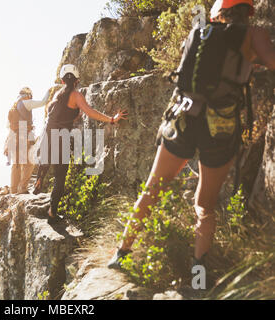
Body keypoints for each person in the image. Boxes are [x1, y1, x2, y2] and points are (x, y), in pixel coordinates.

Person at [107, 0, 275, 280]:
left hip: (182, 118)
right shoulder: (253, 35)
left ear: (219, 14)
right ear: (248, 11)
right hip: (218, 127)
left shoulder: (199, 33)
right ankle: (198, 278)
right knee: (204, 207)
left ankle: (120, 254)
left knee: (152, 189)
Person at [34, 64, 128, 223]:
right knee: (60, 176)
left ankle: (40, 177)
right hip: (61, 135)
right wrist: (111, 119)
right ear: (76, 81)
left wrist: (70, 117)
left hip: (47, 133)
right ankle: (52, 213)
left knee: (46, 159)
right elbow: (90, 112)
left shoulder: (57, 94)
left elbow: (52, 113)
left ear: (63, 81)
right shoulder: (76, 96)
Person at [5, 87, 50, 194]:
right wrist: (50, 90)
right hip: (24, 137)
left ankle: (14, 189)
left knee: (16, 165)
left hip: (13, 138)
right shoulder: (26, 103)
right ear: (28, 95)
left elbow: (8, 126)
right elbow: (44, 101)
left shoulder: (13, 107)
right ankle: (22, 188)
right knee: (29, 163)